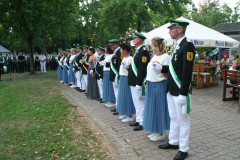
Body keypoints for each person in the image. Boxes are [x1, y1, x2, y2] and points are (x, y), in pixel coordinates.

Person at [159, 19, 195, 160]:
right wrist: (161, 68)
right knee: (173, 117)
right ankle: (173, 142)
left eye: (171, 29)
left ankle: (184, 149)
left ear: (179, 29)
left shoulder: (188, 45)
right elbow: (176, 68)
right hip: (172, 88)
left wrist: (183, 92)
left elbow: (187, 71)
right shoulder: (176, 46)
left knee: (183, 120)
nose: (169, 31)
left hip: (181, 90)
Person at [143, 37, 170, 142]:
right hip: (151, 84)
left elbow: (167, 75)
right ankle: (154, 130)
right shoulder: (154, 55)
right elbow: (149, 72)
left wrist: (160, 67)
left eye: (152, 44)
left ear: (157, 45)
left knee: (159, 108)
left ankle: (161, 132)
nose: (151, 46)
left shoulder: (165, 57)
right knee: (152, 108)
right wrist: (146, 84)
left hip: (160, 84)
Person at [128, 31, 150, 131]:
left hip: (138, 81)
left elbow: (142, 68)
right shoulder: (137, 50)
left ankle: (142, 122)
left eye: (135, 38)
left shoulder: (144, 51)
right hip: (134, 80)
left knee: (140, 103)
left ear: (139, 40)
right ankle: (138, 119)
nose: (133, 40)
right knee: (136, 102)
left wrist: (139, 82)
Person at [116, 43, 136, 123]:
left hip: (127, 78)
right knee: (123, 96)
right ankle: (125, 112)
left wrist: (127, 67)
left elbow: (131, 71)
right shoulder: (124, 58)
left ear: (125, 51)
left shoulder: (130, 58)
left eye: (121, 50)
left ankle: (130, 115)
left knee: (127, 96)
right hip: (122, 77)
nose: (120, 51)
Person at [108, 39, 122, 115]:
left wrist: (118, 75)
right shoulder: (115, 52)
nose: (111, 47)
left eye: (112, 45)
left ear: (116, 44)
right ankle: (117, 106)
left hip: (117, 75)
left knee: (117, 92)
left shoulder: (119, 52)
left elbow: (119, 65)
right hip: (114, 75)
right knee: (116, 92)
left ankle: (118, 107)